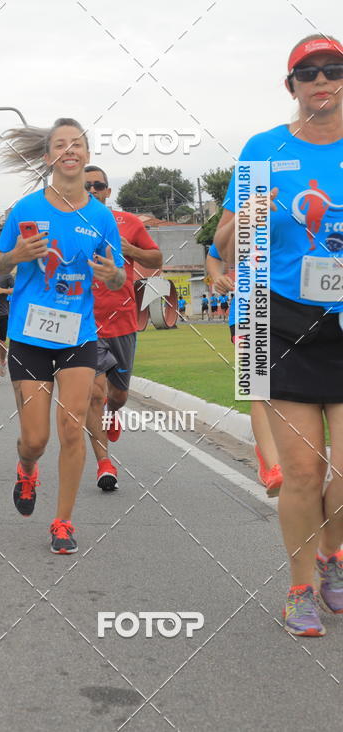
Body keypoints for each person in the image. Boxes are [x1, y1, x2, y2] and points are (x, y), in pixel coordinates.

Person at [215, 34, 343, 636]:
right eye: (308, 72)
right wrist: (246, 220)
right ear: (290, 85)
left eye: (333, 70)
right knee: (302, 472)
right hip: (283, 318)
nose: (322, 80)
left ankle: (332, 557)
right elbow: (220, 244)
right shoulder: (263, 151)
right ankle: (299, 589)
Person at [0, 119, 126, 554]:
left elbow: (118, 274)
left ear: (86, 155)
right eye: (61, 145)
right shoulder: (26, 208)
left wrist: (113, 273)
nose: (70, 150)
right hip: (29, 335)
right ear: (48, 157)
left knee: (71, 429)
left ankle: (63, 521)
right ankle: (27, 467)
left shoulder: (101, 216)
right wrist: (16, 255)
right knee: (36, 438)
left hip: (78, 336)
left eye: (78, 144)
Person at [83, 165, 162, 491]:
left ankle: (113, 413)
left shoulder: (128, 223)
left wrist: (132, 252)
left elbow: (156, 259)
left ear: (108, 191)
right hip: (84, 324)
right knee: (94, 395)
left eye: (97, 185)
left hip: (122, 320)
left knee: (118, 395)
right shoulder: (65, 223)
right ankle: (104, 463)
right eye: (85, 185)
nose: (91, 190)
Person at [206, 242, 283, 497]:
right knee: (259, 389)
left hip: (292, 313)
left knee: (285, 392)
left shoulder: (300, 212)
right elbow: (214, 254)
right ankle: (272, 466)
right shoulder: (246, 216)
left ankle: (268, 449)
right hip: (246, 315)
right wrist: (217, 276)